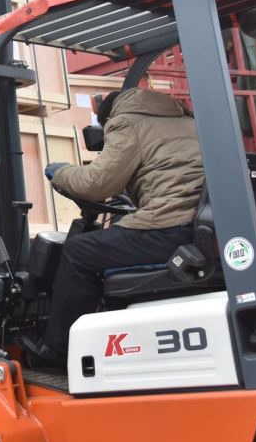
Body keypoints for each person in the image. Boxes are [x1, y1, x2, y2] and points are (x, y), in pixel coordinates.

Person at [18, 87, 205, 365]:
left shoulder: (126, 122)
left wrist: (60, 173)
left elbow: (97, 183)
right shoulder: (186, 122)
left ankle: (58, 351)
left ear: (107, 119)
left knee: (78, 251)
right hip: (194, 226)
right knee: (106, 243)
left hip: (168, 227)